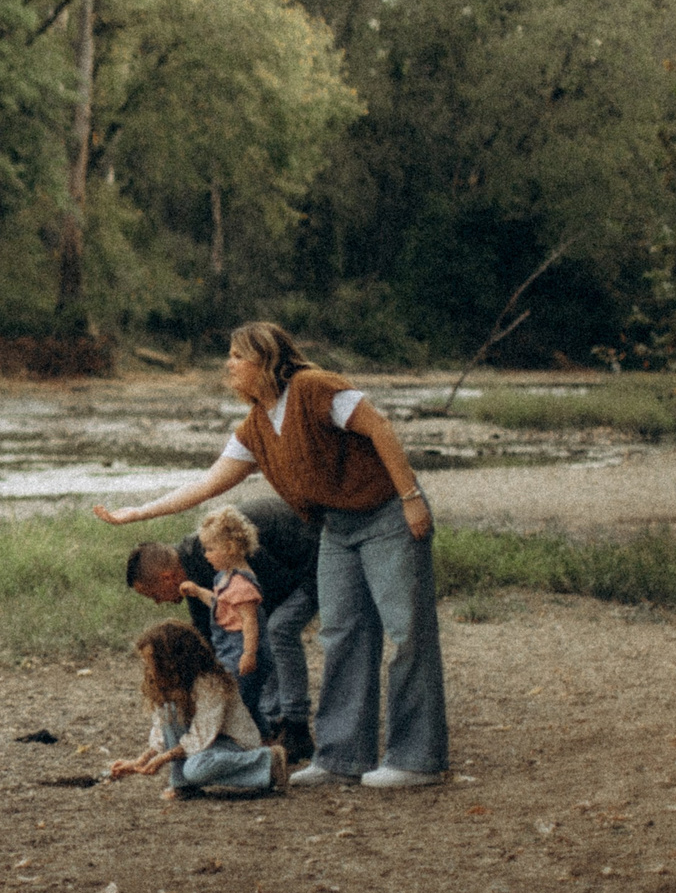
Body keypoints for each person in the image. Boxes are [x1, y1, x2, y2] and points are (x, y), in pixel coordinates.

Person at [95, 321, 448, 791]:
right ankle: (342, 757)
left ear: (266, 360)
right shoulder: (256, 426)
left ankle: (417, 758)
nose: (229, 365)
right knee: (342, 633)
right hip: (335, 527)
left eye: (237, 356)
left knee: (406, 631)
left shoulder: (313, 388)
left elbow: (377, 427)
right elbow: (208, 482)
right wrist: (137, 512)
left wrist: (410, 496)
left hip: (386, 512)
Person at [122, 496, 318, 761]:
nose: (158, 603)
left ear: (166, 577)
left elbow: (269, 594)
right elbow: (205, 635)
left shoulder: (214, 559)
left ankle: (295, 726)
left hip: (310, 558)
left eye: (154, 595)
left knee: (276, 630)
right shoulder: (192, 567)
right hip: (283, 569)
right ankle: (271, 724)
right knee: (254, 646)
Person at [104, 621, 286, 799]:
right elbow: (164, 729)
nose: (149, 670)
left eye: (152, 661)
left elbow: (203, 733)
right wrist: (140, 761)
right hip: (203, 746)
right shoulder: (171, 687)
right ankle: (183, 784)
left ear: (172, 661)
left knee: (196, 768)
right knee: (172, 716)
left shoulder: (211, 684)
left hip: (231, 744)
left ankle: (266, 761)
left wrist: (163, 759)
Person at [180, 503, 263, 689]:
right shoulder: (223, 577)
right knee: (233, 695)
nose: (206, 555)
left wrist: (249, 654)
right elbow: (221, 606)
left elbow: (250, 621)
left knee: (241, 697)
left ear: (230, 548)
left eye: (210, 549)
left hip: (239, 648)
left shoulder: (241, 584)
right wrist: (199, 591)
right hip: (227, 647)